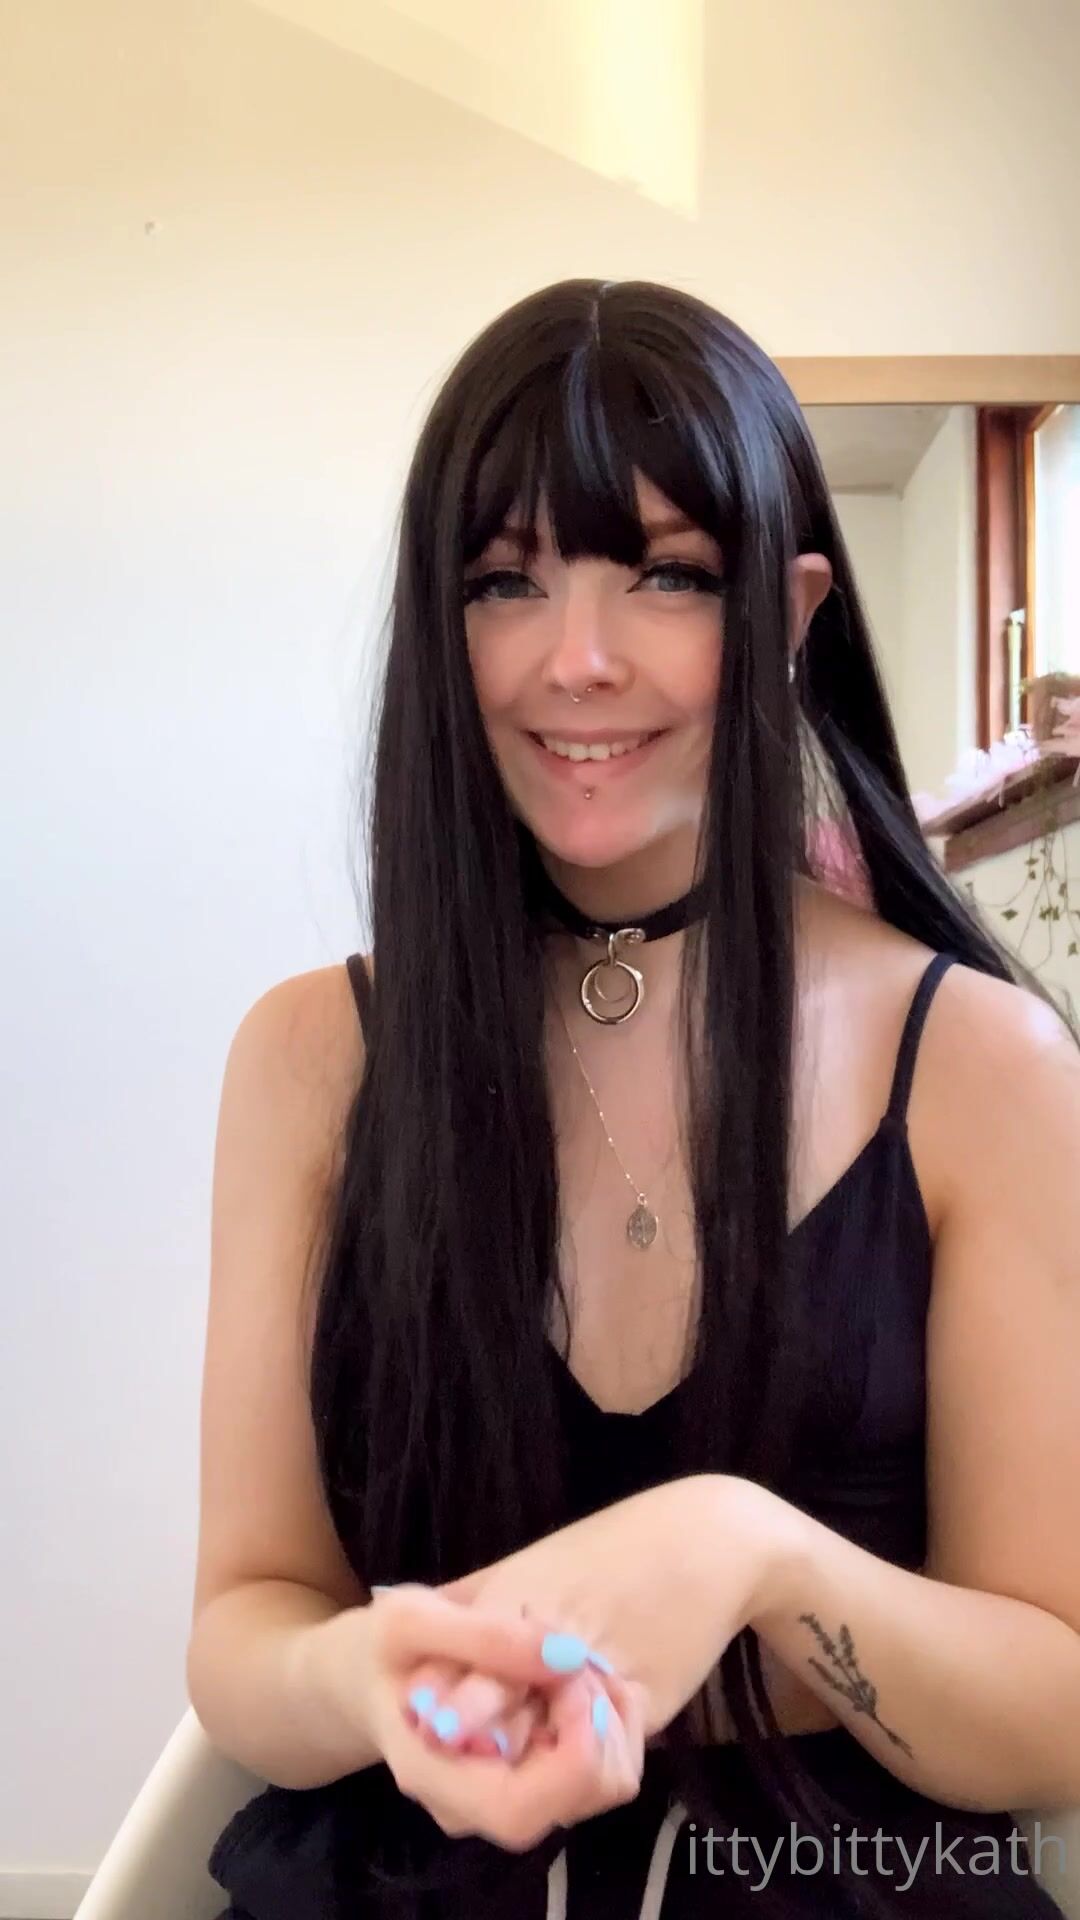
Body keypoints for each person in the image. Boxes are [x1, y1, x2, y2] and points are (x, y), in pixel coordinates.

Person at [189, 280, 1080, 1920]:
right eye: (505, 581)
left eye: (667, 574)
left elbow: (1057, 1712)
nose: (578, 659)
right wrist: (370, 1678)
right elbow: (248, 1620)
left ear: (789, 611)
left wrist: (756, 1556)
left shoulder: (984, 1066)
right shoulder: (313, 1057)